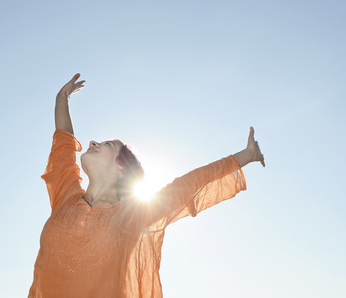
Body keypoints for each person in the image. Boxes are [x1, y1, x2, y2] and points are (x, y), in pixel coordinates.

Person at [28, 73, 265, 298]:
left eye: (107, 145)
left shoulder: (133, 215)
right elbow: (63, 142)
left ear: (122, 166)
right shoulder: (65, 195)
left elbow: (190, 184)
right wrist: (62, 99)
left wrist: (244, 156)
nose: (92, 142)